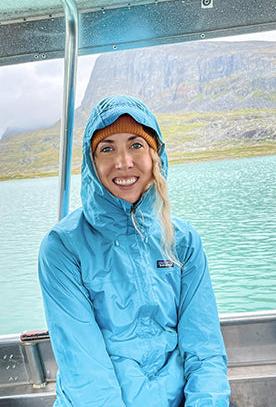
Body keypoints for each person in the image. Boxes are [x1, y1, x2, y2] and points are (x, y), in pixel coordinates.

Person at [38, 95, 231, 406]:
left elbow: (204, 350)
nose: (123, 162)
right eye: (107, 148)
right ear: (92, 162)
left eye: (136, 145)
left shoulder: (183, 240)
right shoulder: (63, 247)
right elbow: (86, 375)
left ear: (155, 154)